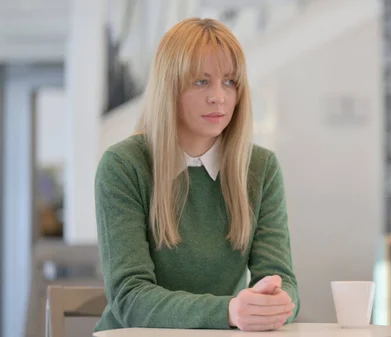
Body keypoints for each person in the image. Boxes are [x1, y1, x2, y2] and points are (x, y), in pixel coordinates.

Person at [94, 17, 299, 332]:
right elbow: (129, 296)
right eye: (201, 81)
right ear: (170, 87)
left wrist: (278, 301)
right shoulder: (123, 166)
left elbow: (281, 278)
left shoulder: (261, 168)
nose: (218, 96)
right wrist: (228, 312)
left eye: (229, 81)